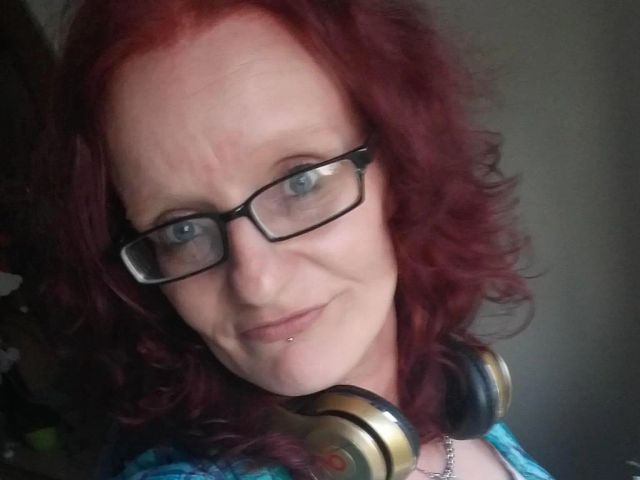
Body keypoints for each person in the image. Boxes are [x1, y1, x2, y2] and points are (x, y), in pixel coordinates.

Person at [38, 0, 555, 479]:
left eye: (300, 182)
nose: (256, 283)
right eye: (182, 229)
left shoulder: (452, 404)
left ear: (401, 172)